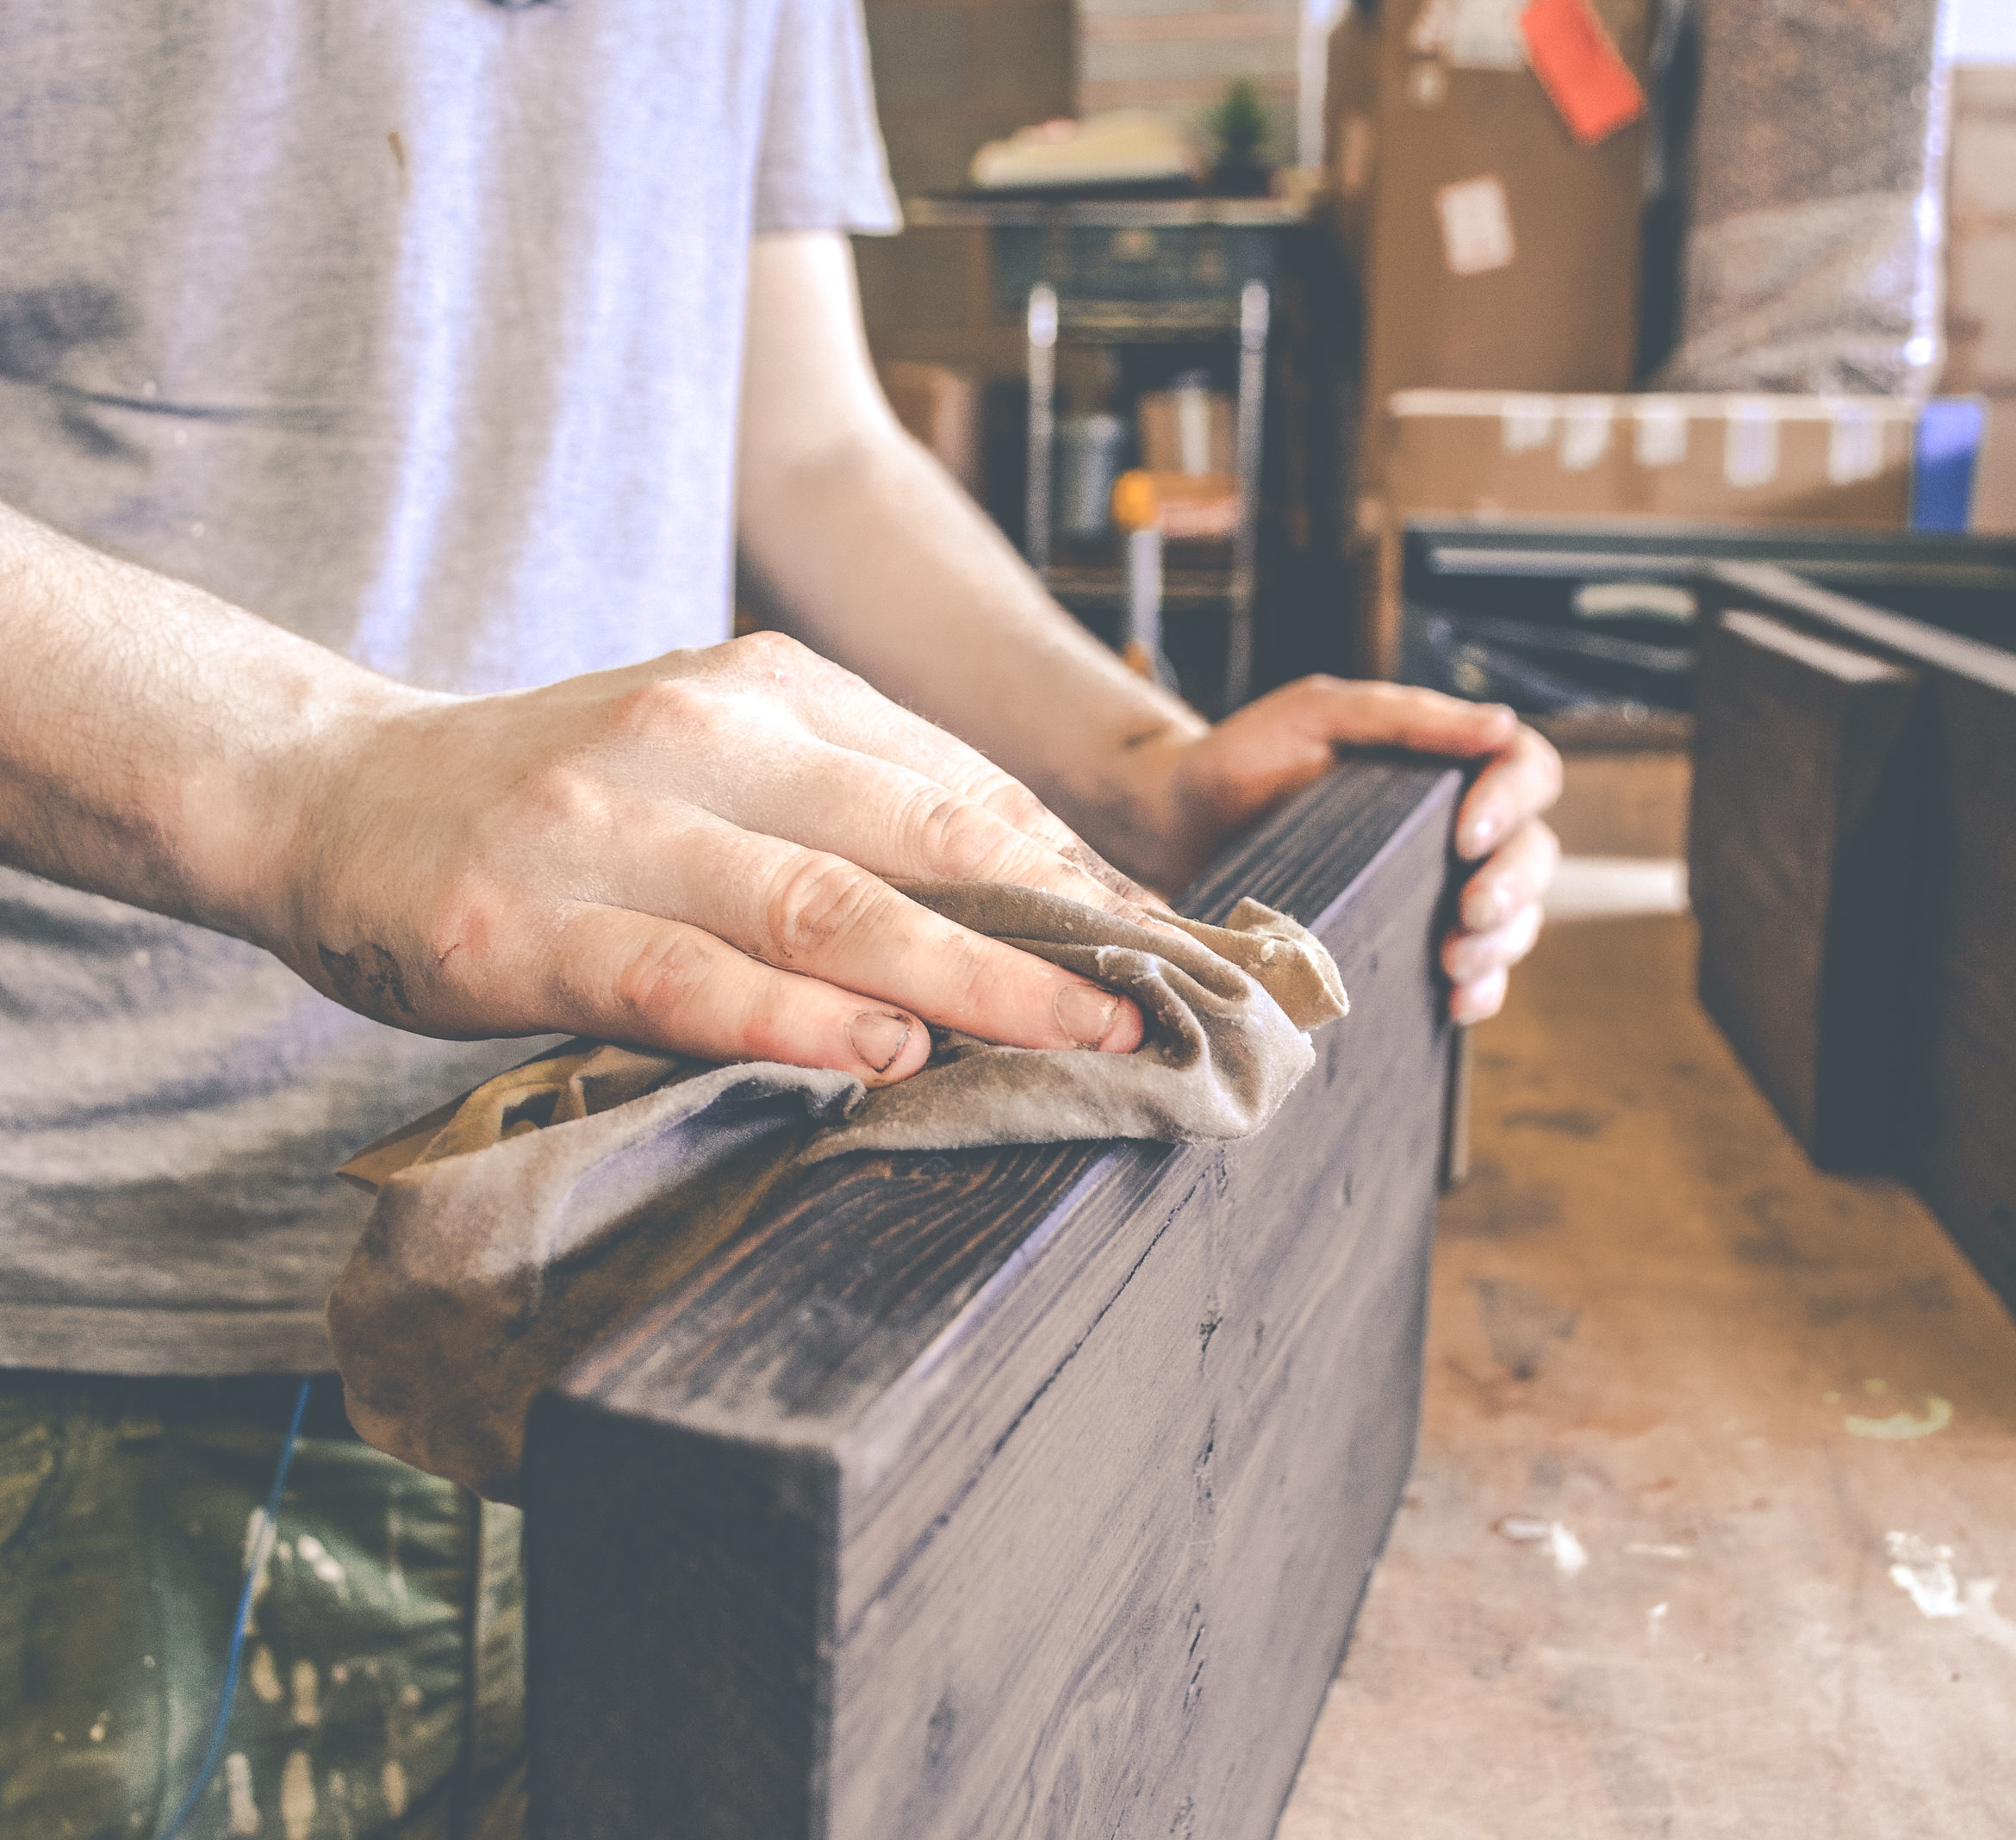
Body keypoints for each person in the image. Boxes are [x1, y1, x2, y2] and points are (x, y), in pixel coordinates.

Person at [0, 3, 1559, 1834]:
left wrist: (1137, 769)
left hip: (663, 1256)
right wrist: (317, 778)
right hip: (106, 1321)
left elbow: (809, 439)